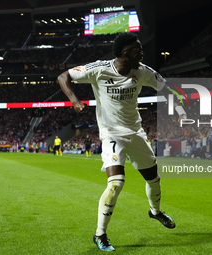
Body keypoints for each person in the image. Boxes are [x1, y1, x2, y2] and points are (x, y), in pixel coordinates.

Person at [57, 32, 186, 251]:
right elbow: (63, 77)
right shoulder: (99, 69)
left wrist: (181, 105)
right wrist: (75, 101)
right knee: (116, 183)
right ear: (126, 54)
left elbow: (168, 87)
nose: (142, 52)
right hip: (111, 134)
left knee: (154, 179)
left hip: (135, 133)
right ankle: (100, 234)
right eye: (138, 49)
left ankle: (155, 212)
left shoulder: (143, 72)